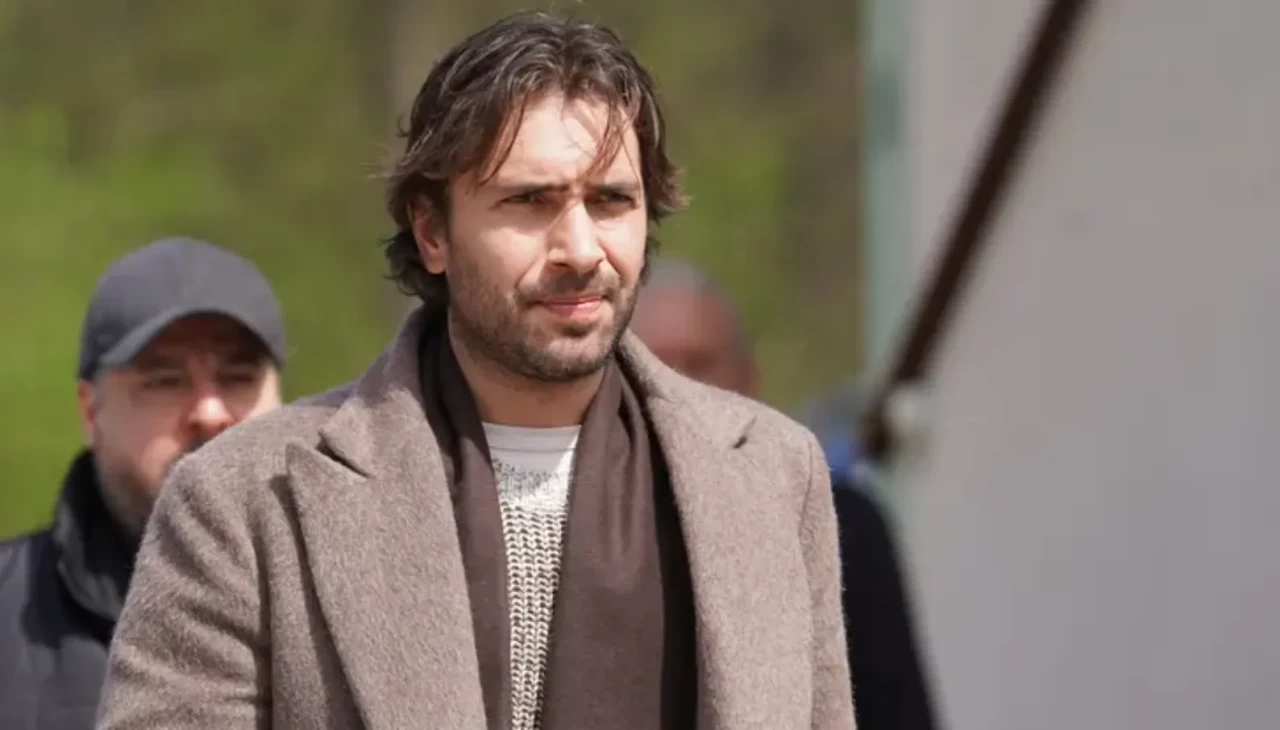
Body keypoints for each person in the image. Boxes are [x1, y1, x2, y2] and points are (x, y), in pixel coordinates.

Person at [96, 12, 854, 730]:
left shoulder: (773, 475)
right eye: (531, 201)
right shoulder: (243, 499)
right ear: (431, 232)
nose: (581, 249)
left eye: (611, 201)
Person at [0, 237, 287, 730]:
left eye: (239, 377)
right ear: (90, 411)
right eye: (165, 380)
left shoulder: (356, 604)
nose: (210, 412)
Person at [636, 263, 938, 730]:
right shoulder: (577, 529)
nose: (680, 393)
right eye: (656, 367)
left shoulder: (840, 525)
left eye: (700, 363)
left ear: (748, 378)